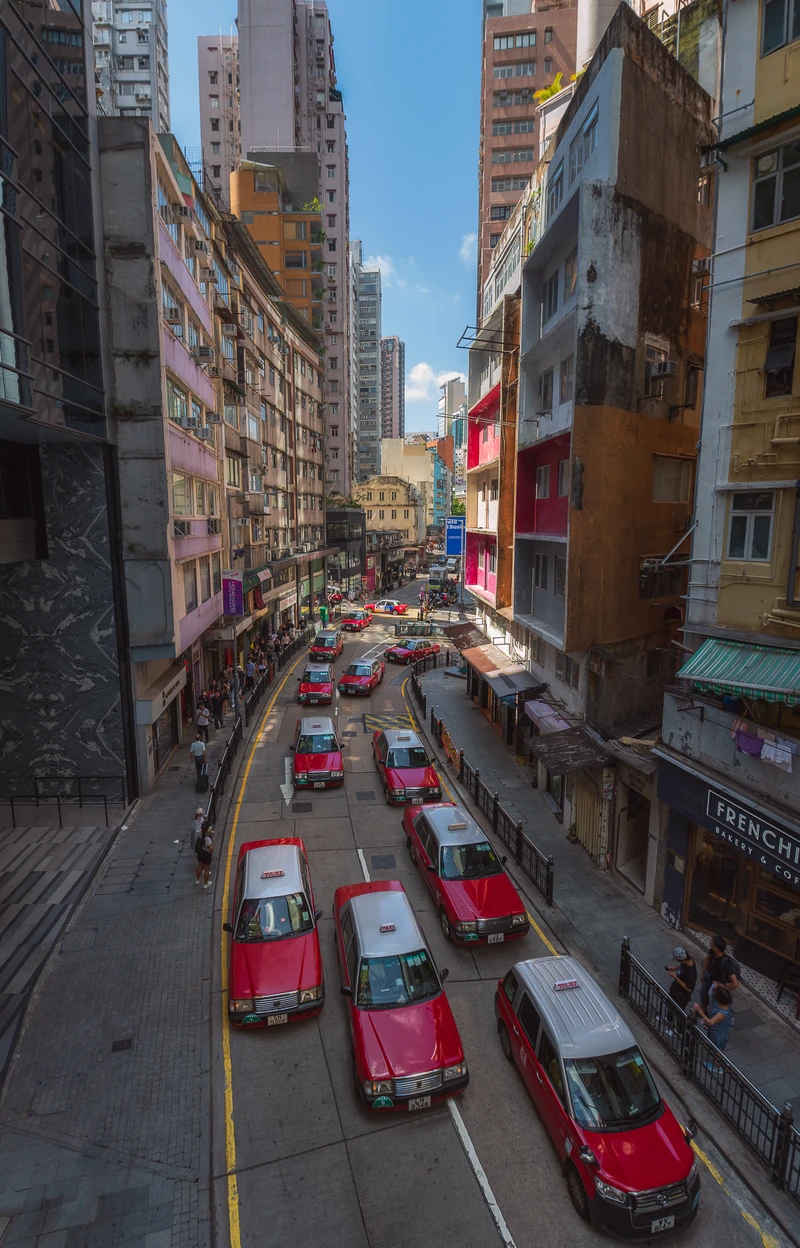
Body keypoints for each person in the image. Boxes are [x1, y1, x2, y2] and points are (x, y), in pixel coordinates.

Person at [693, 985, 734, 1070]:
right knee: (721, 1048)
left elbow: (711, 1022)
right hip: (719, 1032)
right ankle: (723, 1060)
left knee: (717, 1050)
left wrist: (700, 1011)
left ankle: (717, 1066)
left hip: (718, 1034)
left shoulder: (721, 1013)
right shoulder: (723, 1005)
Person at [662, 946, 697, 1034]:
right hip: (676, 989)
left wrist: (675, 977)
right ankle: (669, 1019)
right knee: (670, 1003)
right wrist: (674, 968)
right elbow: (682, 965)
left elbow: (689, 989)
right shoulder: (686, 960)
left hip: (682, 995)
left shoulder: (691, 973)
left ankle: (679, 1031)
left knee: (679, 1012)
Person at [700, 934, 740, 1007]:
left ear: (716, 947)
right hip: (708, 979)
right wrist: (702, 973)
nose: (709, 943)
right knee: (703, 995)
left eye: (711, 943)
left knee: (716, 1004)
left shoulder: (726, 963)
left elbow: (735, 984)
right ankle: (703, 1009)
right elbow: (707, 959)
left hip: (717, 987)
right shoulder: (712, 952)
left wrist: (724, 989)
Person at [195, 821, 214, 889]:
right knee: (206, 869)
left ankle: (197, 880)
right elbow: (211, 849)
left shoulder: (200, 834)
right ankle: (206, 883)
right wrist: (209, 851)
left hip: (200, 854)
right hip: (206, 855)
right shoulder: (207, 839)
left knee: (200, 867)